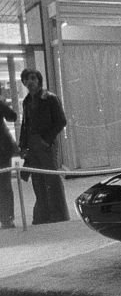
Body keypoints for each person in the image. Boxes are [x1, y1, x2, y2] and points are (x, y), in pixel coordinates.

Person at [19, 68, 69, 224]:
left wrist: (46, 140)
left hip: (46, 144)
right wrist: (22, 146)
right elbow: (25, 125)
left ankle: (58, 214)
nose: (30, 82)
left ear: (39, 80)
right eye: (26, 79)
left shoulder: (50, 98)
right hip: (32, 146)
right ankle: (42, 215)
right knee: (37, 180)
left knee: (52, 180)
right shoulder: (26, 101)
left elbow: (61, 121)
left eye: (33, 78)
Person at [0, 87, 17, 229]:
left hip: (2, 149)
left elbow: (12, 116)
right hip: (3, 148)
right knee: (4, 184)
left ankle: (7, 218)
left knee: (4, 184)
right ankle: (6, 218)